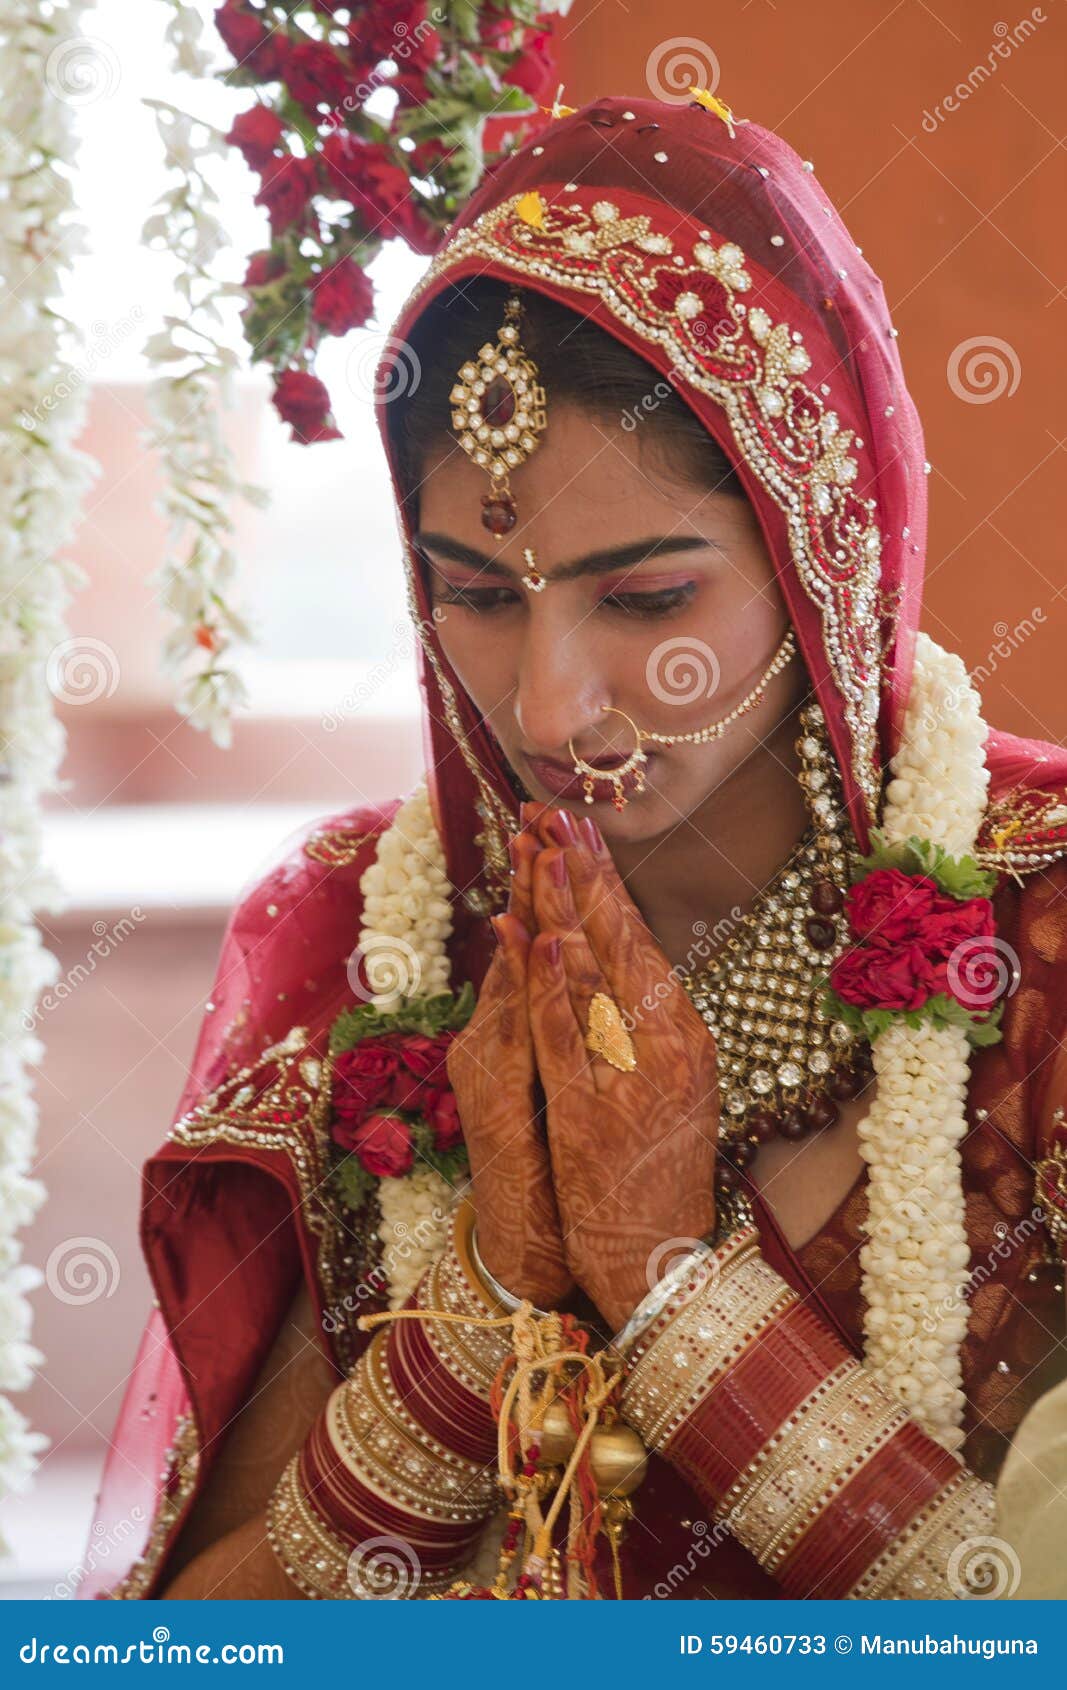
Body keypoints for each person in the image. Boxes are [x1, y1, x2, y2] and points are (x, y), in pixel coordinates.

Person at [77, 92, 1067, 1603]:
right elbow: (208, 1642)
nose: (548, 706)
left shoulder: (1041, 928)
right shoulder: (378, 947)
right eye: (473, 594)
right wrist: (475, 1304)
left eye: (648, 599)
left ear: (823, 551)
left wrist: (673, 1289)